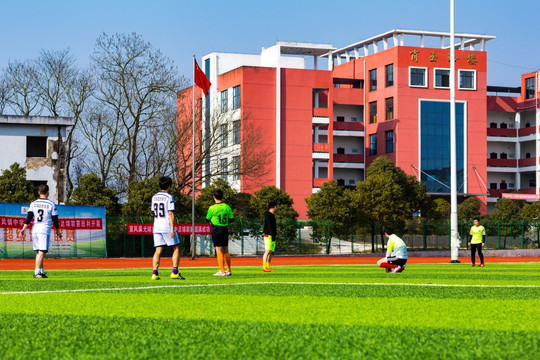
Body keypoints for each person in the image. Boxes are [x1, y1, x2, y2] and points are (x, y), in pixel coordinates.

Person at [18, 184, 62, 278]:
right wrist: (57, 231)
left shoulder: (33, 203)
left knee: (39, 251)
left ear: (38, 192)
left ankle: (41, 271)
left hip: (35, 230)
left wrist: (24, 227)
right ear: (48, 192)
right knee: (42, 251)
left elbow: (29, 217)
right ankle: (37, 272)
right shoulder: (51, 204)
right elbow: (55, 219)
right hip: (44, 229)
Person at [151, 176, 185, 280]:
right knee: (176, 247)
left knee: (158, 250)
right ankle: (174, 272)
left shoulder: (154, 197)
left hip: (156, 226)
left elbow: (153, 212)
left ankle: (154, 273)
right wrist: (172, 229)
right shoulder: (169, 197)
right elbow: (170, 213)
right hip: (166, 225)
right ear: (169, 186)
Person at [206, 189, 234, 276]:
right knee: (226, 249)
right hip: (224, 229)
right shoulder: (227, 206)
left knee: (218, 249)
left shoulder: (212, 208)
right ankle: (228, 270)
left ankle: (222, 271)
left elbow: (207, 219)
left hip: (216, 229)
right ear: (222, 196)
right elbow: (232, 219)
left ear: (214, 197)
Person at [262, 201, 277, 272]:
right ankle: (264, 266)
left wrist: (274, 235)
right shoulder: (268, 215)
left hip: (272, 235)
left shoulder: (272, 215)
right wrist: (272, 234)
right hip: (268, 235)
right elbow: (269, 225)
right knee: (267, 251)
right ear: (274, 207)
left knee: (270, 252)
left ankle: (268, 266)